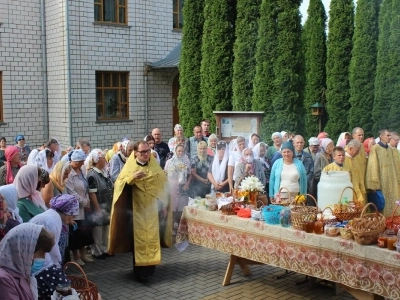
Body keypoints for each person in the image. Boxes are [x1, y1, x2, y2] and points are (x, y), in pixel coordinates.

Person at [108, 140, 172, 283]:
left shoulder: (155, 167)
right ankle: (139, 272)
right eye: (142, 152)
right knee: (139, 241)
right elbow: (119, 184)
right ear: (135, 153)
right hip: (135, 211)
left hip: (152, 211)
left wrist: (164, 207)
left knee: (152, 239)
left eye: (148, 151)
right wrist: (132, 178)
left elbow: (163, 187)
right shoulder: (129, 167)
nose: (145, 154)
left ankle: (150, 270)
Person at [0, 223, 54, 300]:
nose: (43, 258)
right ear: (23, 251)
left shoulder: (23, 273)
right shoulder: (4, 280)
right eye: (41, 254)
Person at [65, 149, 92, 266]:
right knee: (75, 233)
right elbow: (72, 192)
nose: (83, 163)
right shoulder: (69, 173)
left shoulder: (81, 170)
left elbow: (85, 188)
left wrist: (87, 201)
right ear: (75, 161)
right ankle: (76, 257)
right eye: (81, 161)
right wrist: (84, 202)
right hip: (74, 208)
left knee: (83, 232)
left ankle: (83, 254)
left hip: (84, 204)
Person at [85, 149, 114, 259]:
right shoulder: (92, 174)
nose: (105, 160)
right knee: (97, 229)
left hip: (106, 205)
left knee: (105, 228)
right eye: (102, 158)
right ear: (97, 160)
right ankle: (97, 251)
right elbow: (92, 194)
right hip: (98, 206)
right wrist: (97, 209)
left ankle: (105, 249)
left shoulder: (103, 171)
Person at [366, 129, 400, 217]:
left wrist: (398, 178)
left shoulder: (390, 149)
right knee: (383, 203)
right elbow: (372, 166)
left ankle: (393, 221)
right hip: (382, 181)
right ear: (381, 136)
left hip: (392, 180)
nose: (390, 137)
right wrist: (374, 184)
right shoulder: (375, 148)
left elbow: (395, 164)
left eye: (390, 135)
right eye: (388, 135)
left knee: (393, 201)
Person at [164, 144, 191, 230]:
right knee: (172, 206)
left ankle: (180, 226)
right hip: (172, 187)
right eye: (179, 151)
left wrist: (188, 183)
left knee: (181, 206)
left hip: (182, 187)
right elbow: (165, 174)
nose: (180, 153)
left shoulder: (186, 161)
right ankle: (172, 226)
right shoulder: (169, 162)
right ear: (175, 151)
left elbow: (190, 175)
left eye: (182, 151)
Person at [344, 139, 366, 206]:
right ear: (350, 148)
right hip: (349, 190)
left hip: (357, 188)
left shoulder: (355, 159)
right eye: (357, 150)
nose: (358, 153)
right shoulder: (344, 160)